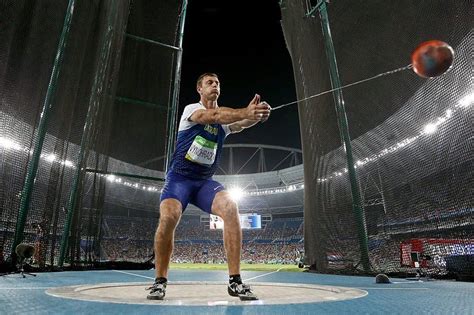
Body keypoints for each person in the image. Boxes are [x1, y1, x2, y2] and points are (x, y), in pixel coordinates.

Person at [147, 73, 271, 300]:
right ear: (200, 89)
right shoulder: (191, 110)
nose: (215, 85)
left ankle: (235, 281)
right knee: (168, 217)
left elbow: (241, 123)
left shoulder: (223, 124)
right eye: (210, 83)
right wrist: (245, 111)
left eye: (218, 83)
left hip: (204, 183)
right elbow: (213, 115)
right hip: (179, 180)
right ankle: (159, 282)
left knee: (231, 207)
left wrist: (258, 114)